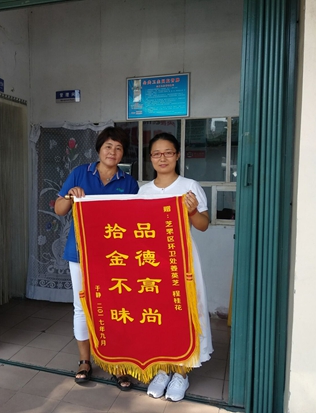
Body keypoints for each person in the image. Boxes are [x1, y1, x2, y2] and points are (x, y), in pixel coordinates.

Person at [54, 127, 139, 389]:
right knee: (82, 307)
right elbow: (59, 209)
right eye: (108, 146)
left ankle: (118, 364)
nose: (113, 152)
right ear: (99, 148)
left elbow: (136, 220)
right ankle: (84, 361)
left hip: (115, 257)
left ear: (123, 153)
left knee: (116, 307)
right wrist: (70, 196)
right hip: (80, 253)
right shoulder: (80, 173)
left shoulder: (129, 182)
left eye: (119, 148)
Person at [138, 132, 213, 402]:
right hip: (152, 262)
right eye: (157, 154)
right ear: (150, 158)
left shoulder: (189, 186)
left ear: (178, 155)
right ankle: (162, 369)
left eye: (168, 152)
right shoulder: (143, 191)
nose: (163, 158)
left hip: (182, 262)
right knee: (158, 315)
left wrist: (192, 212)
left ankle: (181, 372)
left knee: (185, 314)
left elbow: (203, 225)